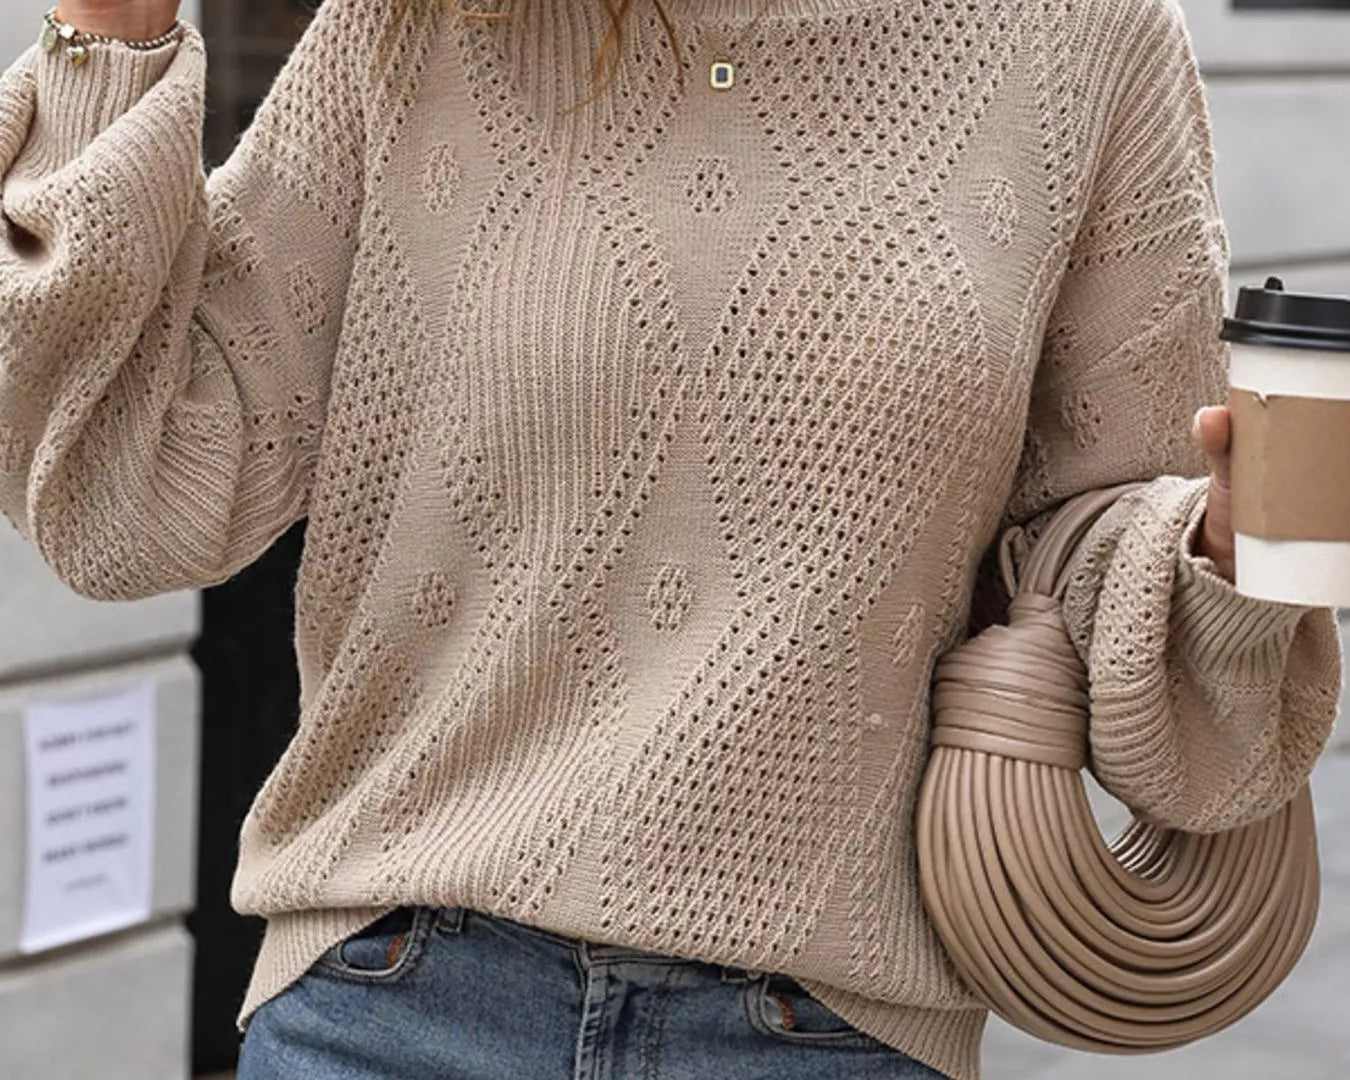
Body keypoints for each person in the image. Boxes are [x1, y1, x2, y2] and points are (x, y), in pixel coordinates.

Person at [0, 0, 1341, 1077]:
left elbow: (1094, 532)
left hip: (824, 1031)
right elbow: (129, 501)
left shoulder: (1087, 44)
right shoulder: (414, 31)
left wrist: (1221, 554)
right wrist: (104, 34)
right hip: (395, 1005)